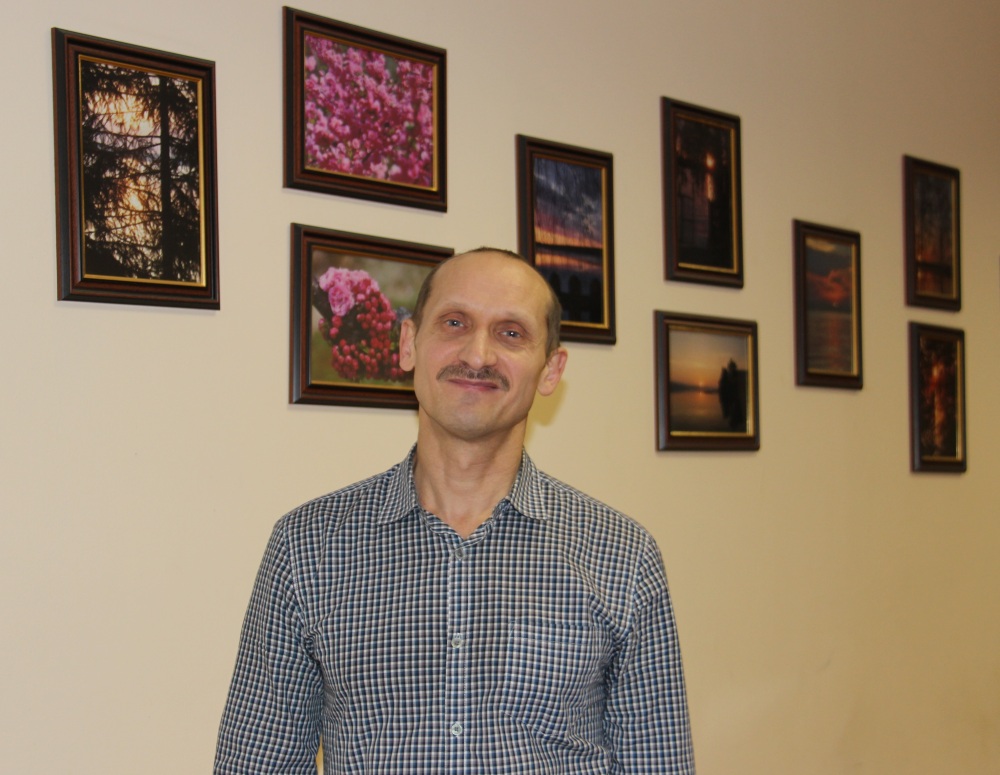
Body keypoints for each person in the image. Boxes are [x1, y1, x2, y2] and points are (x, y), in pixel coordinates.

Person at [214, 248, 695, 773]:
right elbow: (256, 764)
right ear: (408, 344)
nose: (479, 354)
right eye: (454, 322)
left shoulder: (623, 556)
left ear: (550, 370)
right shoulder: (306, 547)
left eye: (511, 333)